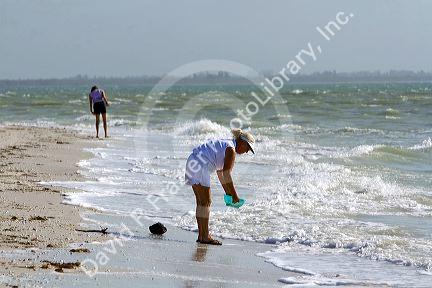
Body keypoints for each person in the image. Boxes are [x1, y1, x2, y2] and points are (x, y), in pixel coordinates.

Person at [185, 128, 255, 245]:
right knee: (206, 202)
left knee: (201, 203)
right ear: (243, 143)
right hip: (201, 165)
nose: (247, 151)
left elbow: (221, 174)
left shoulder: (227, 144)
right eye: (248, 148)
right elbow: (226, 174)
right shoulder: (231, 150)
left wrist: (228, 193)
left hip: (192, 161)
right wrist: (235, 196)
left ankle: (202, 235)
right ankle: (205, 236)